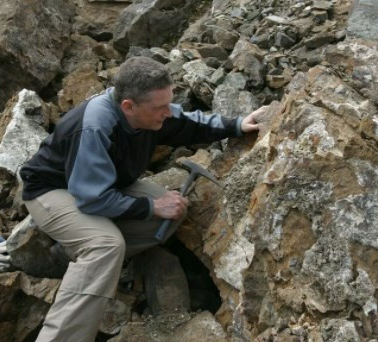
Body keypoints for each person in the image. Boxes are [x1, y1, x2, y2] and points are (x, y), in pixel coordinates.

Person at [20, 56, 266, 341]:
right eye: (160, 107)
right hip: (52, 192)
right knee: (106, 245)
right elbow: (91, 199)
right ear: (128, 106)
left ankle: (76, 258)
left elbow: (188, 123)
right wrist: (150, 206)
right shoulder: (96, 127)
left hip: (103, 187)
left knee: (173, 212)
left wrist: (236, 125)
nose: (167, 112)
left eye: (168, 103)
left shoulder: (151, 115)